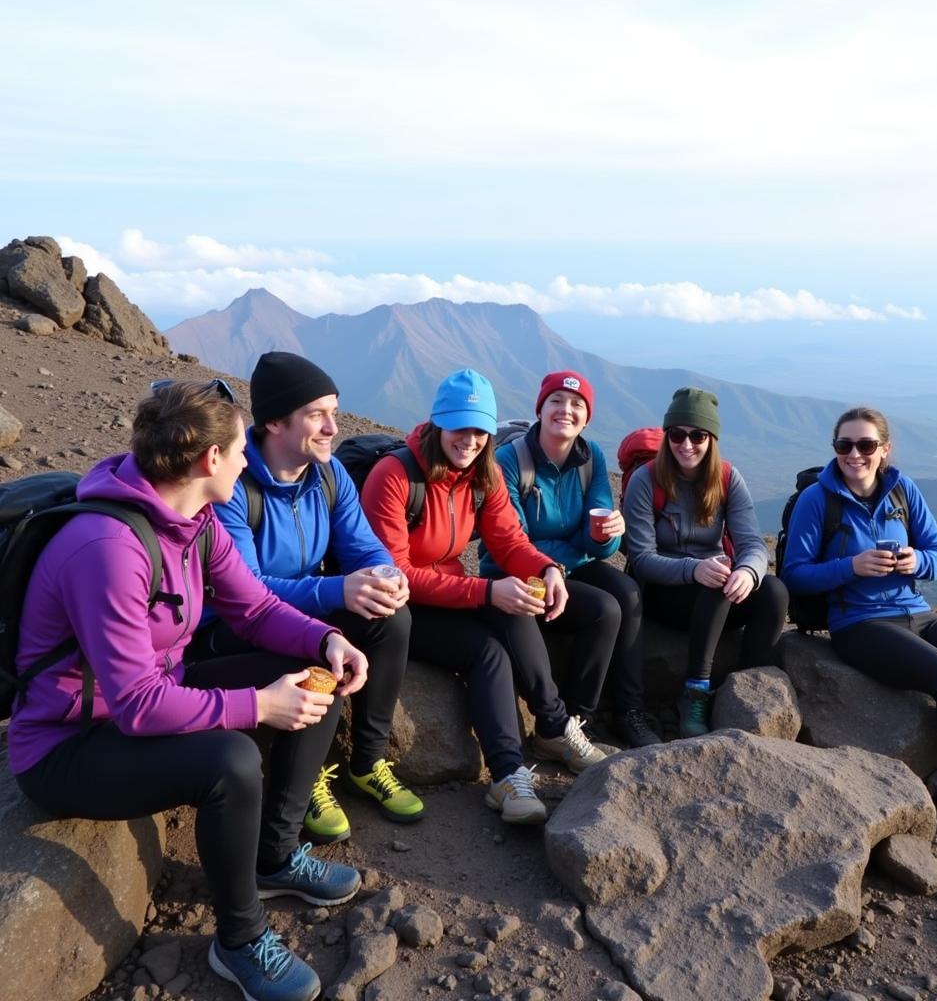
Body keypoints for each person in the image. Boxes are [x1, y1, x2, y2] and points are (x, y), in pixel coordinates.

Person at [8, 380, 370, 1001]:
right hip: (68, 744)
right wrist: (258, 705)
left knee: (321, 680)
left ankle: (274, 857)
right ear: (209, 461)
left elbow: (254, 609)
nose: (244, 461)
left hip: (151, 694)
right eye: (238, 452)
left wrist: (323, 641)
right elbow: (137, 704)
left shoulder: (193, 521)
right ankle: (238, 938)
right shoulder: (107, 549)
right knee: (231, 761)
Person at [194, 351, 422, 843]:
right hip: (232, 627)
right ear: (275, 420)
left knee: (391, 619)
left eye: (334, 412)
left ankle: (367, 762)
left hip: (299, 606)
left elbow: (362, 546)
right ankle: (306, 775)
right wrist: (338, 589)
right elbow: (246, 593)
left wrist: (386, 574)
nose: (332, 427)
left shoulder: (328, 474)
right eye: (317, 414)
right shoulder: (235, 484)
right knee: (315, 651)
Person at [360, 368, 605, 824]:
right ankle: (510, 775)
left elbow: (509, 541)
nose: (469, 440)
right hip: (400, 610)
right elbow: (398, 575)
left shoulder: (483, 473)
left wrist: (547, 570)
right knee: (488, 649)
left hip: (450, 593)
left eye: (479, 430)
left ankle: (550, 729)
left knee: (516, 610)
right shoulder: (393, 477)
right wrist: (487, 592)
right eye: (459, 426)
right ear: (437, 423)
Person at [780, 405, 937, 847]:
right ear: (835, 449)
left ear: (884, 449)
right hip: (860, 624)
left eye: (866, 445)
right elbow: (794, 573)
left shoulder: (902, 490)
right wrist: (850, 566)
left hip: (917, 612)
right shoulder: (819, 499)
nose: (854, 454)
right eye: (844, 445)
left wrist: (919, 560)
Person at [479, 370, 658, 748]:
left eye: (577, 404)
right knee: (605, 609)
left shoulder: (590, 456)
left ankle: (628, 707)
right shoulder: (510, 460)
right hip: (517, 571)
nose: (566, 410)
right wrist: (573, 549)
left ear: (587, 417)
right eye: (556, 401)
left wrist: (609, 536)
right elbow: (515, 541)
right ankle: (577, 718)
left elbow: (602, 542)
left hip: (569, 566)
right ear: (540, 409)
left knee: (628, 592)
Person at [623, 387, 788, 737]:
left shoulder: (728, 478)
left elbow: (752, 545)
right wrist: (694, 569)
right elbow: (641, 559)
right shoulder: (645, 480)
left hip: (714, 591)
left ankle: (744, 690)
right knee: (716, 579)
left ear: (711, 439)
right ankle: (695, 692)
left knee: (773, 591)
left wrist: (748, 571)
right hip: (664, 593)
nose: (687, 444)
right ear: (667, 436)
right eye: (678, 435)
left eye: (697, 435)